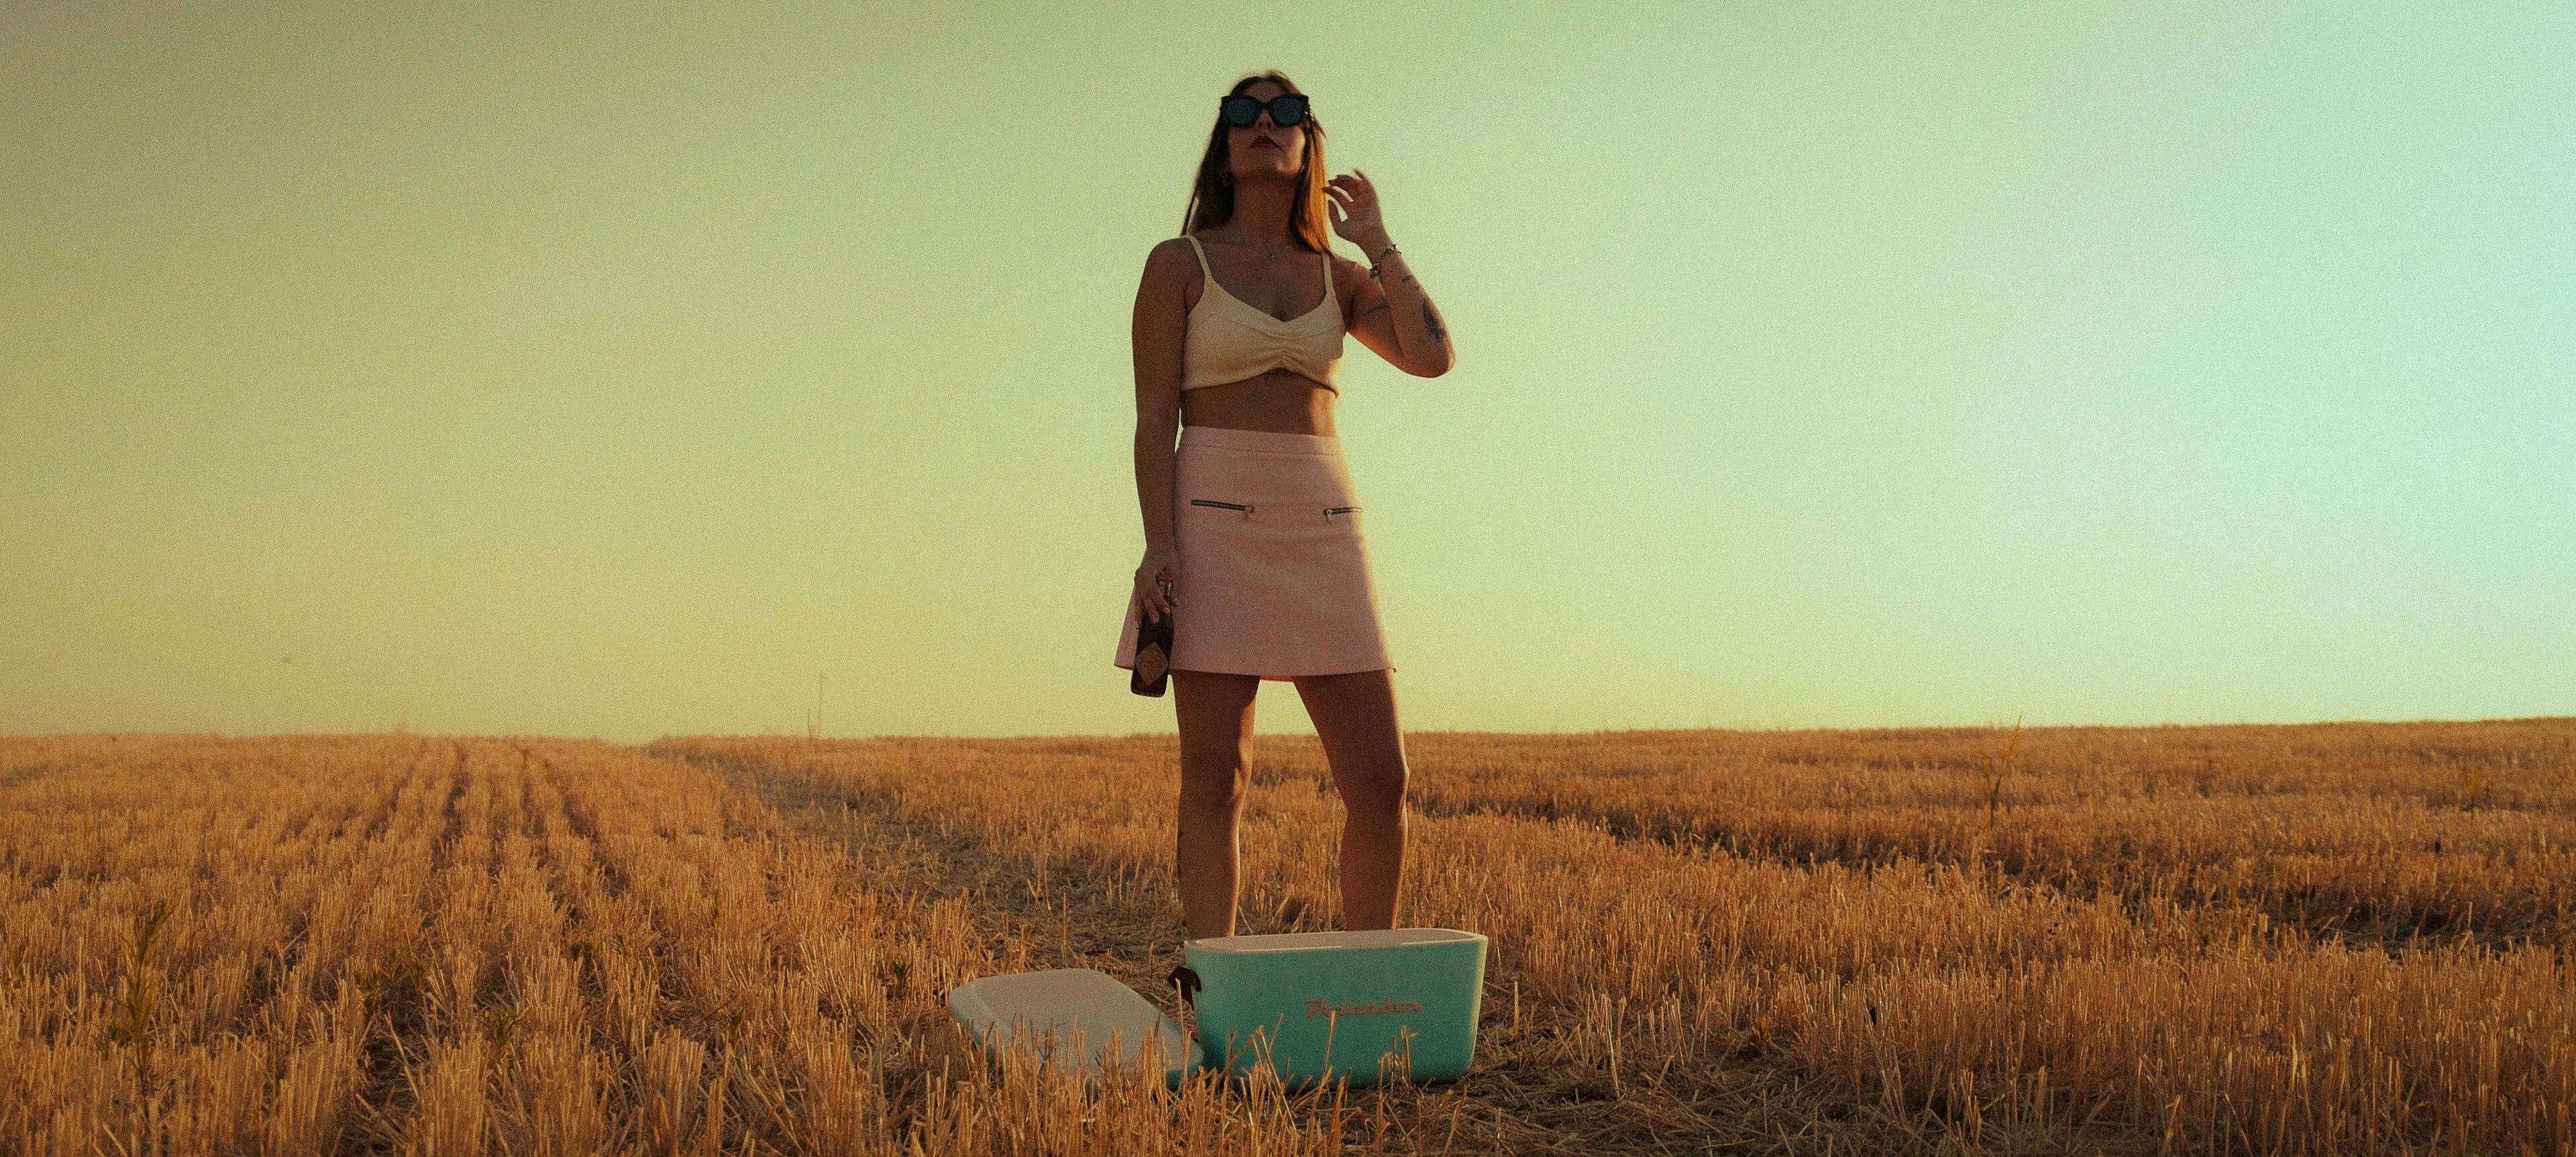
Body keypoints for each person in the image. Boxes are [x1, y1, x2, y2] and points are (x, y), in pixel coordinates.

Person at [1114, 71, 1456, 940]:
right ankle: (1210, 986)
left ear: (1308, 145)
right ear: (1224, 147)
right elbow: (1156, 420)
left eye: (1284, 113)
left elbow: (1432, 358)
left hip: (1324, 523)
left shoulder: (1340, 279)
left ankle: (1369, 983)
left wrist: (1378, 241)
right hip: (1209, 516)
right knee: (1217, 778)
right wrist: (1161, 548)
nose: (1263, 124)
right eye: (1242, 112)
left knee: (1381, 780)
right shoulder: (1176, 264)